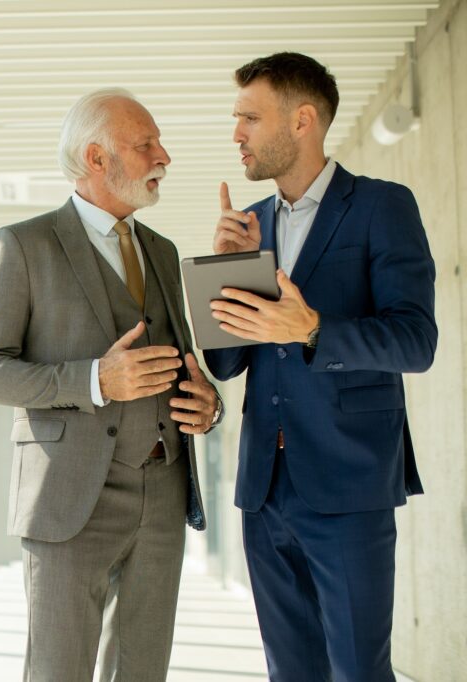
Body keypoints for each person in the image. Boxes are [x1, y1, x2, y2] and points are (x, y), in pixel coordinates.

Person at [0, 88, 222, 682]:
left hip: (162, 494)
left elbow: (184, 369)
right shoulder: (22, 245)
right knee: (59, 670)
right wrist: (93, 380)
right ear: (97, 158)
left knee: (142, 671)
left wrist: (207, 407)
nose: (165, 156)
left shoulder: (163, 251)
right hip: (68, 495)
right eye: (147, 144)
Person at [204, 52, 437, 681]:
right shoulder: (249, 224)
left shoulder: (383, 208)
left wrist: (312, 328)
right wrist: (226, 268)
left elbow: (416, 341)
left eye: (250, 118)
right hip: (263, 493)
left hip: (350, 485)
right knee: (291, 674)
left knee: (359, 672)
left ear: (302, 120)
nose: (237, 135)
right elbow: (225, 362)